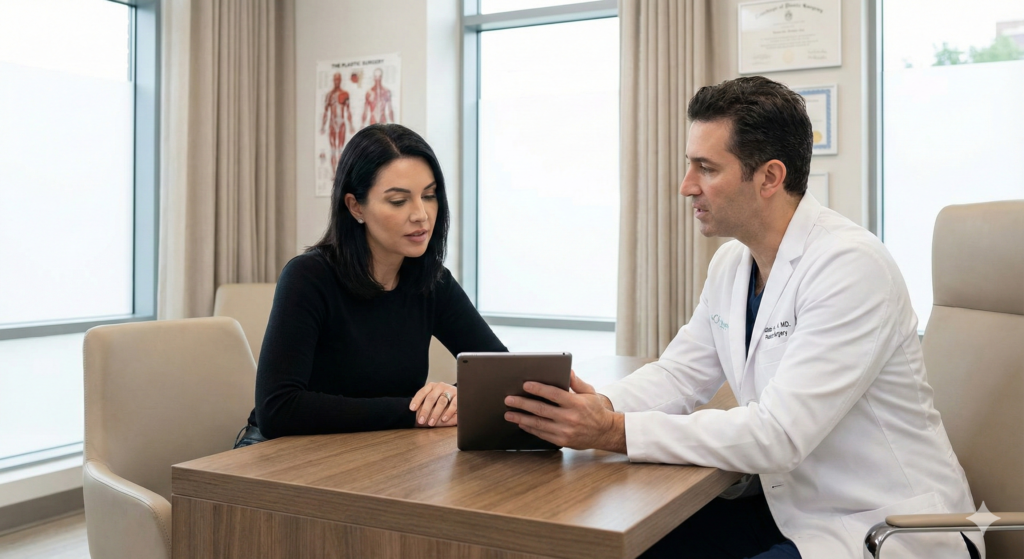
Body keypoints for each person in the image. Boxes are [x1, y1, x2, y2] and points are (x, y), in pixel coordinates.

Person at [503, 76, 982, 559]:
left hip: (889, 526)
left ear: (770, 177)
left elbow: (778, 435)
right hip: (792, 508)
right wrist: (595, 405)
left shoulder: (851, 266)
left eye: (706, 168)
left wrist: (612, 430)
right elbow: (680, 375)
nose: (686, 186)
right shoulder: (733, 264)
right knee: (624, 546)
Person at [235, 124, 506, 447]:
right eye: (398, 201)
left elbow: (500, 373)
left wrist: (454, 396)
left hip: (377, 450)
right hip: (281, 454)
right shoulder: (308, 277)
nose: (421, 215)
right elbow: (278, 409)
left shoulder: (433, 281)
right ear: (355, 207)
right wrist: (417, 411)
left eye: (429, 196)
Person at [320, 72, 355, 178]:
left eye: (338, 79)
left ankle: (339, 175)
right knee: (333, 150)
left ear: (340, 80)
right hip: (332, 123)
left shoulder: (345, 94)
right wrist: (323, 126)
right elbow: (326, 112)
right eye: (335, 79)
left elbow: (348, 110)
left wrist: (351, 125)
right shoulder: (329, 95)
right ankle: (334, 174)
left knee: (340, 149)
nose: (337, 81)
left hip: (341, 123)